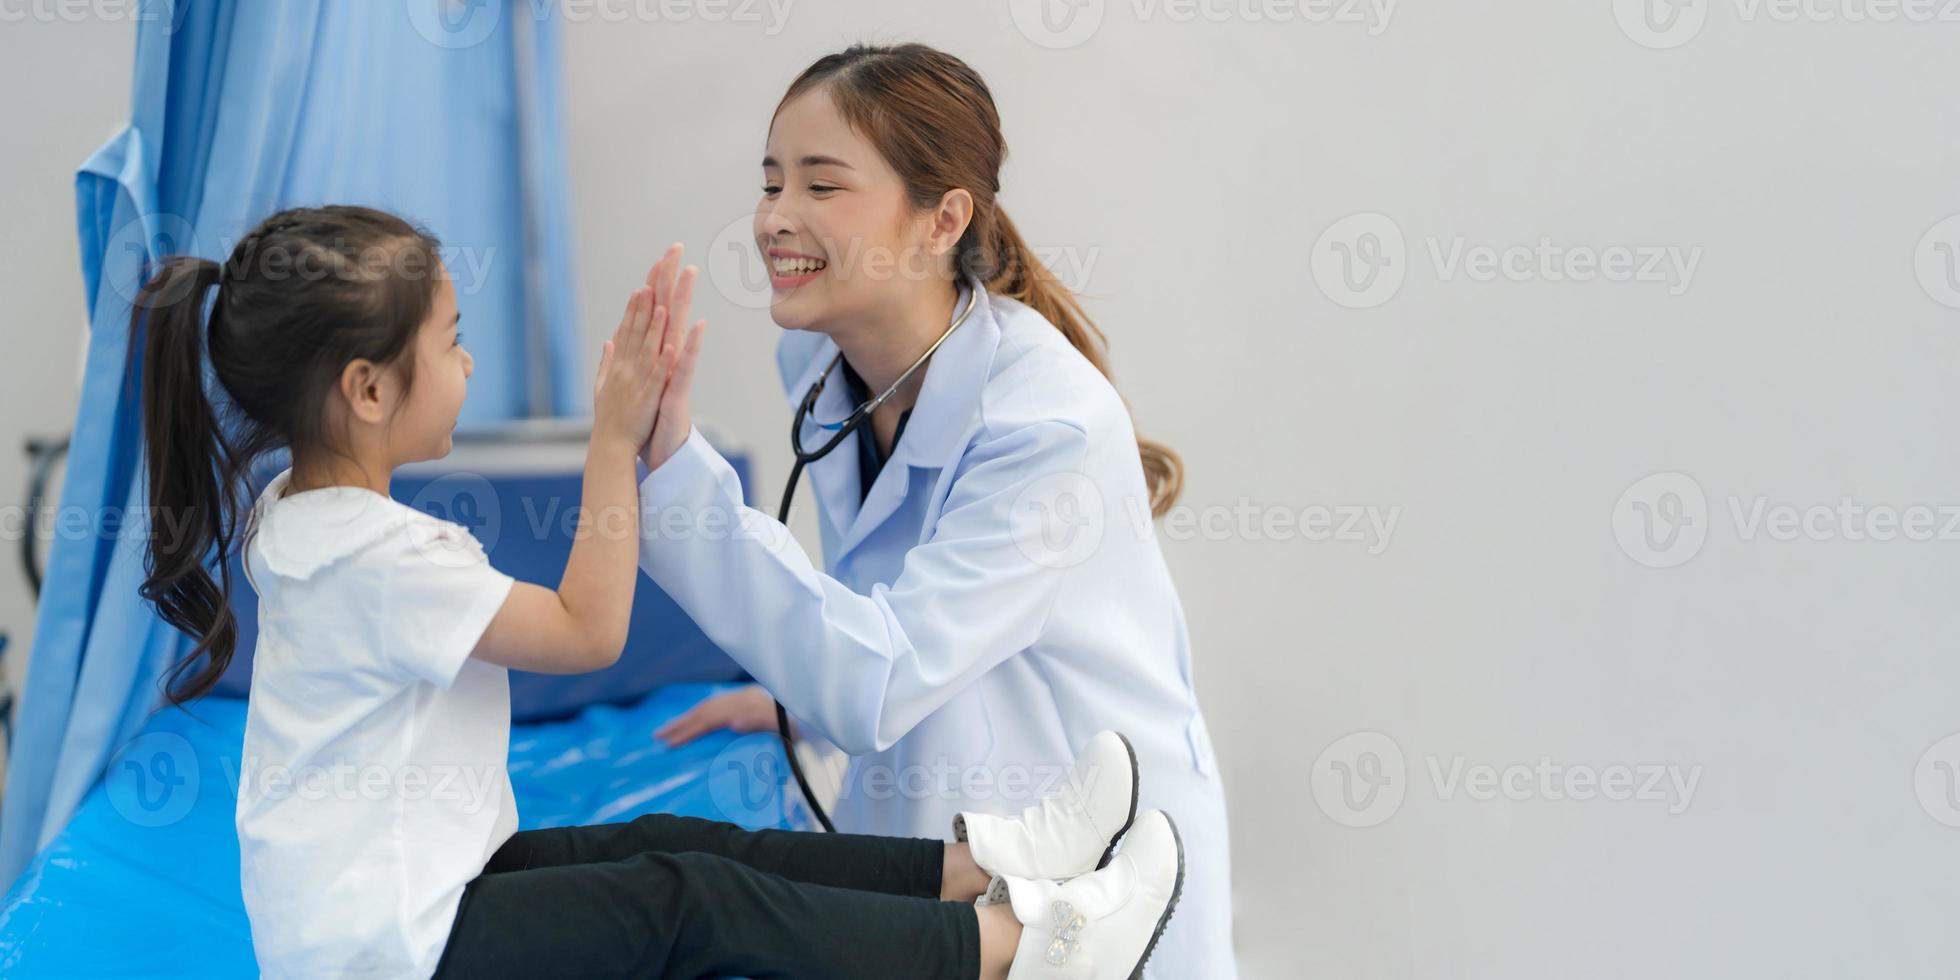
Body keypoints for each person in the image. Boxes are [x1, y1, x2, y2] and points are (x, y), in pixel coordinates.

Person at [132, 205, 1183, 979]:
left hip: (390, 907)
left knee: (689, 843)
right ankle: (1025, 948)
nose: (465, 362)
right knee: (693, 899)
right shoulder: (379, 554)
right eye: (448, 343)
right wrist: (611, 437)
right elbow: (591, 628)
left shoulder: (294, 510)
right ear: (366, 389)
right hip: (393, 949)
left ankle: (988, 862)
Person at [635, 44, 1238, 978]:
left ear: (942, 219)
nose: (773, 219)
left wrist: (672, 469)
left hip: (1094, 867)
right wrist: (796, 701)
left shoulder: (1045, 423)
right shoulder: (822, 369)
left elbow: (882, 678)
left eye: (821, 186)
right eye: (770, 182)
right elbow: (890, 608)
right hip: (946, 835)